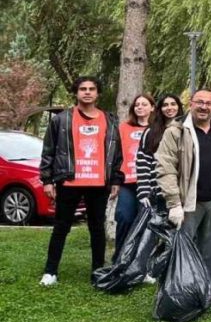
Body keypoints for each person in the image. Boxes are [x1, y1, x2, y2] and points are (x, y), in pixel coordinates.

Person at [39, 76, 123, 287]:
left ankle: (97, 270)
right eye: (83, 89)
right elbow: (48, 150)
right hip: (69, 182)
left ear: (98, 93)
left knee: (97, 228)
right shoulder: (62, 119)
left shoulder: (110, 120)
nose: (87, 92)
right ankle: (50, 272)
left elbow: (117, 154)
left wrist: (115, 180)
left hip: (99, 183)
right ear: (76, 93)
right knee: (61, 227)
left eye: (91, 89)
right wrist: (47, 180)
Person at [156, 88, 211, 283]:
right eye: (199, 102)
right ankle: (177, 291)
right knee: (181, 249)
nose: (203, 107)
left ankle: (205, 291)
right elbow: (165, 167)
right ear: (191, 104)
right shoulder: (176, 131)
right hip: (188, 203)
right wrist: (174, 203)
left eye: (208, 103)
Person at [113, 93, 152, 262]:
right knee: (124, 217)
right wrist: (115, 180)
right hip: (128, 182)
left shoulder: (158, 129)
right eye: (137, 105)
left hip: (150, 183)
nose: (140, 107)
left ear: (152, 108)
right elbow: (116, 155)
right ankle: (120, 258)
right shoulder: (123, 128)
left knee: (147, 222)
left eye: (144, 104)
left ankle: (142, 262)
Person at [135, 93, 181, 211]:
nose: (169, 108)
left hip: (182, 190)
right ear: (160, 109)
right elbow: (143, 161)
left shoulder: (187, 129)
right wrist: (144, 191)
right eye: (165, 105)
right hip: (158, 190)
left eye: (173, 104)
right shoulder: (150, 132)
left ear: (179, 106)